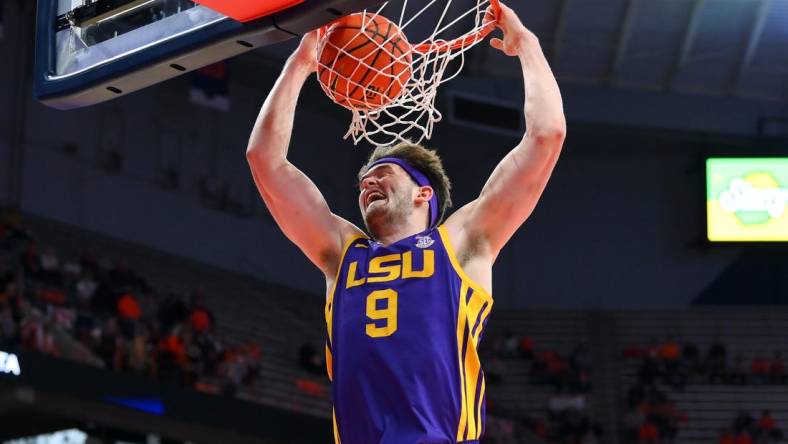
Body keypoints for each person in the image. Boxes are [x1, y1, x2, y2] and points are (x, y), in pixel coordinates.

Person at [246, 2, 565, 443]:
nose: (367, 183)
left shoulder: (463, 241)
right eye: (363, 181)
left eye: (382, 174)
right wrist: (300, 65)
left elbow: (546, 135)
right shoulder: (343, 251)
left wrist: (526, 44)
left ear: (423, 193)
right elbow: (264, 160)